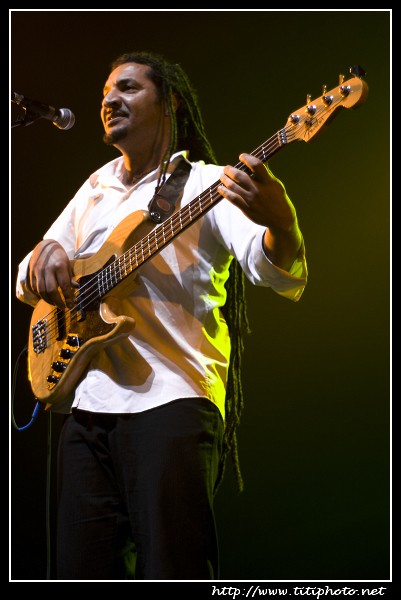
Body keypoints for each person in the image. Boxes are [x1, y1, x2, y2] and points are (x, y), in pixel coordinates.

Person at [15, 50, 307, 581]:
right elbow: (26, 278)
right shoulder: (97, 186)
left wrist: (282, 223)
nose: (109, 100)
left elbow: (271, 269)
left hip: (171, 401)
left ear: (170, 101)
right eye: (105, 92)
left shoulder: (209, 184)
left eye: (128, 88)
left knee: (175, 568)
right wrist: (45, 251)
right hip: (87, 408)